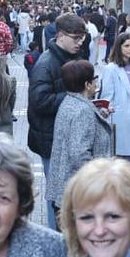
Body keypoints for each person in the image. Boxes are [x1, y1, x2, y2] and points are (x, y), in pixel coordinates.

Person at [29, 13, 87, 226]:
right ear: (61, 35)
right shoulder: (46, 64)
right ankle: (56, 239)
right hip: (51, 141)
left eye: (83, 38)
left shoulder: (70, 57)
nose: (80, 43)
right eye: (76, 38)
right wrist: (75, 96)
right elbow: (39, 102)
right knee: (57, 196)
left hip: (66, 137)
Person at [46, 60, 113, 219]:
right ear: (87, 84)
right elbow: (78, 155)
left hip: (65, 190)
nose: (96, 81)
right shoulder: (83, 110)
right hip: (80, 194)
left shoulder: (69, 102)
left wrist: (100, 114)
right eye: (94, 78)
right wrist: (97, 181)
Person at [100, 32, 130, 167]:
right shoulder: (111, 69)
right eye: (127, 46)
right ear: (119, 47)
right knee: (124, 158)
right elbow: (106, 97)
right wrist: (108, 110)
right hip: (122, 117)